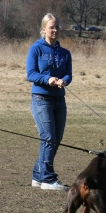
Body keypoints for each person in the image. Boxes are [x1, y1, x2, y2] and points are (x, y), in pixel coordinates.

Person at [26, 13, 72, 191]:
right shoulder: (36, 49)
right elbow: (31, 74)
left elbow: (68, 74)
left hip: (59, 100)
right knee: (48, 138)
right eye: (51, 27)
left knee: (56, 139)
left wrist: (64, 80)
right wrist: (49, 79)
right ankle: (47, 178)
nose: (55, 30)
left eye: (57, 27)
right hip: (41, 99)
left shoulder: (64, 53)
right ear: (43, 29)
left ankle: (38, 175)